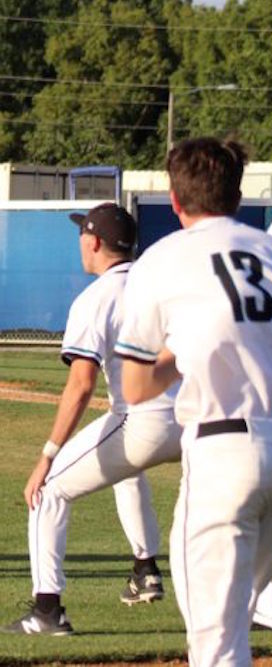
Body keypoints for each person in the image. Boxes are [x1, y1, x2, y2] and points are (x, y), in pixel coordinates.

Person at [117, 136, 272, 665]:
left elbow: (135, 387)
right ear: (238, 193)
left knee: (216, 643)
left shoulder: (163, 259)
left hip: (224, 455)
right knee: (244, 608)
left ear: (175, 200)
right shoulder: (267, 249)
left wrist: (182, 352)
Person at [1, 203, 182, 636]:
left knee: (48, 492)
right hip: (196, 418)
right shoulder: (161, 284)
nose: (79, 242)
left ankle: (47, 611)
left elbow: (81, 386)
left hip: (144, 421)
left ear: (95, 242)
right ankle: (145, 568)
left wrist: (47, 456)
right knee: (125, 469)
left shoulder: (95, 298)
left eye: (82, 234)